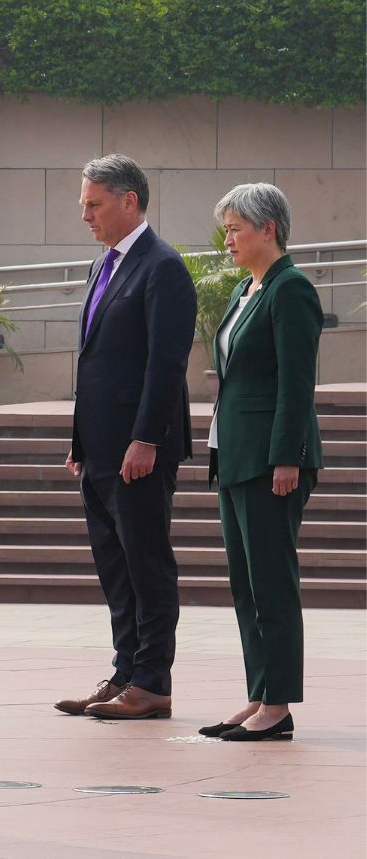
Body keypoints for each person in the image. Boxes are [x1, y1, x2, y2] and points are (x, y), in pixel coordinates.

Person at [56, 154, 197, 721]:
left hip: (140, 450)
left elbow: (166, 365)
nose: (85, 215)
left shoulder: (162, 267)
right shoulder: (103, 266)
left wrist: (147, 439)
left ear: (128, 201)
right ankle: (124, 674)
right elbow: (97, 362)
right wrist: (80, 439)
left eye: (94, 204)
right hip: (100, 448)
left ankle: (153, 683)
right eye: (83, 205)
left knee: (147, 564)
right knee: (115, 566)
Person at [201, 184, 322, 742]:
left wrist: (286, 458)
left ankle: (279, 706)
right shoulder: (247, 290)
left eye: (235, 229)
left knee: (272, 582)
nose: (227, 239)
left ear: (268, 228)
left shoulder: (290, 289)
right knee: (246, 584)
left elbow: (296, 385)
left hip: (271, 460)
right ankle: (260, 694)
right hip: (236, 454)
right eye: (227, 229)